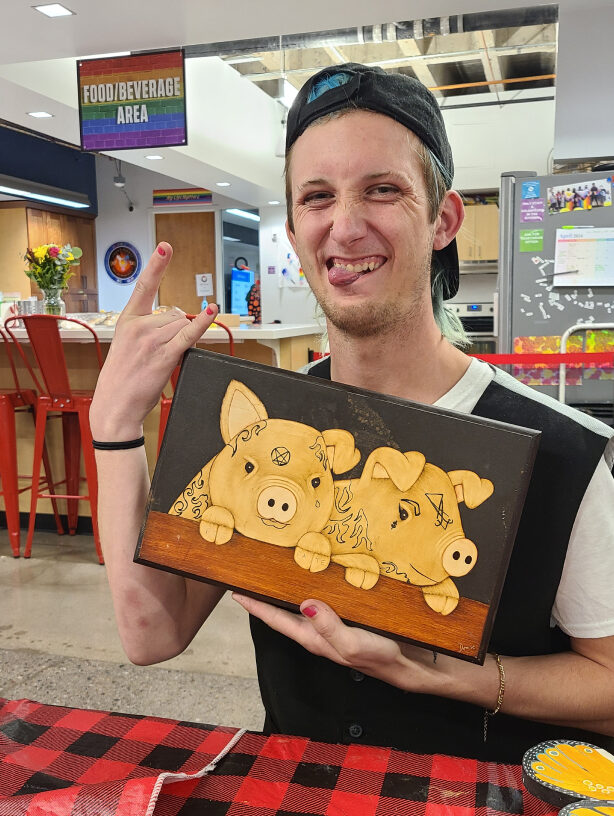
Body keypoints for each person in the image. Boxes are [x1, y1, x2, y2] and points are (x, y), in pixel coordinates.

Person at [90, 63, 614, 764]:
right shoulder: (272, 426)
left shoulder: (566, 454)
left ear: (442, 220)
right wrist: (114, 428)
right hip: (293, 790)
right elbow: (153, 636)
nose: (344, 225)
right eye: (316, 196)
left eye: (382, 189)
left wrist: (454, 678)